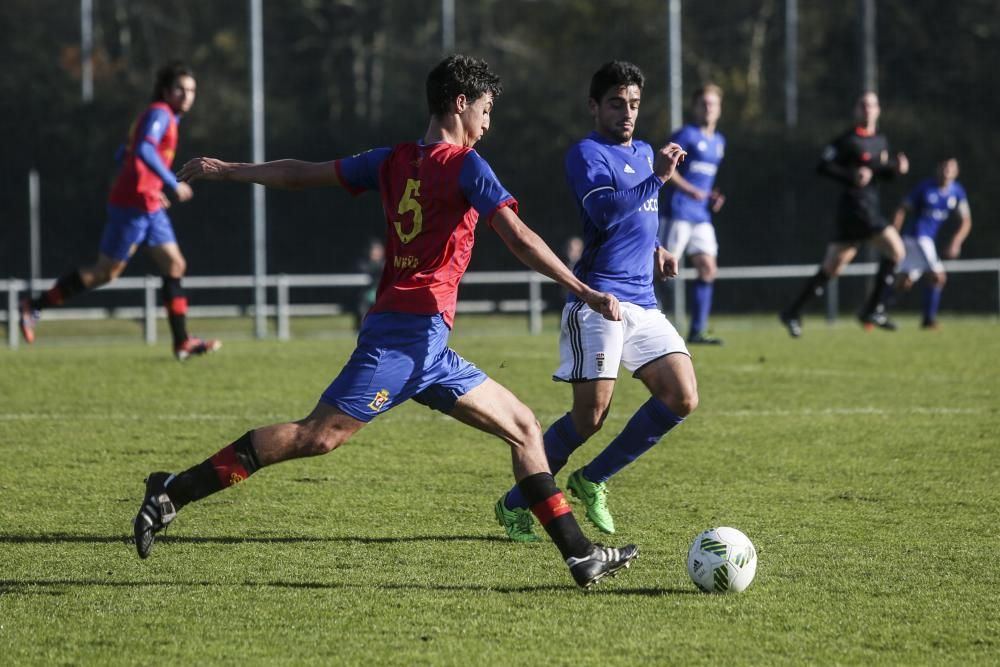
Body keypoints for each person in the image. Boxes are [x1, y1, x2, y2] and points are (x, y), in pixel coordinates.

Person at [133, 54, 639, 589]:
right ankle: (173, 490)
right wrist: (582, 288)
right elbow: (518, 236)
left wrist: (230, 170)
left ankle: (580, 556)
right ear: (461, 103)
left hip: (429, 349)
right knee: (316, 437)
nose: (488, 124)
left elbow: (302, 174)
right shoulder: (466, 166)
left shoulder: (391, 159)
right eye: (486, 110)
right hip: (403, 342)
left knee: (523, 427)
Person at [494, 61, 697, 541]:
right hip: (597, 299)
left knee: (683, 396)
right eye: (615, 103)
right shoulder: (585, 154)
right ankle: (514, 503)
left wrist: (656, 249)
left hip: (642, 301)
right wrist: (660, 179)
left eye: (633, 105)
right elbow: (605, 212)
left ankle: (592, 479)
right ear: (594, 106)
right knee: (589, 419)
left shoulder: (646, 151)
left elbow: (637, 219)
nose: (627, 113)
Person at [18, 62, 220, 360]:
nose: (187, 95)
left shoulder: (164, 118)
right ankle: (36, 305)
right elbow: (143, 151)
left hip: (148, 201)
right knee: (105, 273)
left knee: (175, 265)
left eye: (191, 90)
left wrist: (151, 185)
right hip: (133, 203)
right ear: (166, 91)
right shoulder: (160, 113)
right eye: (180, 88)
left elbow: (123, 152)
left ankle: (182, 342)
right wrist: (169, 184)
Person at [780, 91, 909, 337]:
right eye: (863, 105)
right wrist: (851, 176)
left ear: (878, 110)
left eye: (872, 105)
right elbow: (823, 165)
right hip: (857, 210)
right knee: (896, 251)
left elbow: (875, 173)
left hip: (865, 209)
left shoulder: (880, 140)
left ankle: (792, 311)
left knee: (831, 268)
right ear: (856, 110)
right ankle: (872, 309)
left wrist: (895, 169)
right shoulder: (847, 141)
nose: (868, 109)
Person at [659, 84, 727, 345]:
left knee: (708, 268)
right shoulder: (685, 135)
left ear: (719, 109)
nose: (708, 108)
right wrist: (690, 190)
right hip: (678, 211)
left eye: (713, 104)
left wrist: (711, 196)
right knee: (661, 270)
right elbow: (667, 167)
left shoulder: (719, 142)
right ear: (695, 107)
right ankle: (647, 323)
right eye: (704, 103)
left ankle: (697, 330)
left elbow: (704, 180)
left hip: (700, 215)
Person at [891, 157, 972, 329]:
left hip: (926, 241)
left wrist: (956, 242)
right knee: (938, 277)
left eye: (950, 168)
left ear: (956, 172)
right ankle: (929, 320)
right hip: (918, 237)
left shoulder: (957, 192)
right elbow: (902, 208)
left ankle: (874, 308)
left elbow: (966, 220)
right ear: (938, 169)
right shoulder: (925, 188)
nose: (946, 171)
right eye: (943, 167)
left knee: (904, 282)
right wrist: (893, 235)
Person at [354, 238, 385, 330]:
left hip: (381, 294)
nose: (376, 252)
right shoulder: (362, 263)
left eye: (378, 250)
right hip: (367, 294)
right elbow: (362, 269)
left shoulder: (386, 264)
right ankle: (362, 327)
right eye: (374, 250)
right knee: (363, 304)